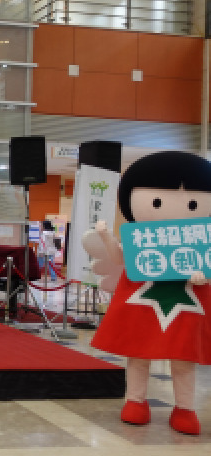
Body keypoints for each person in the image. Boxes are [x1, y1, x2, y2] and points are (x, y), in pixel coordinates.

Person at [88, 151, 211, 435]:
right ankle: (135, 401)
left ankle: (185, 408)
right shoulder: (138, 237)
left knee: (184, 357)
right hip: (141, 303)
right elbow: (119, 259)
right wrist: (106, 237)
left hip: (188, 304)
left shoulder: (203, 239)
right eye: (156, 201)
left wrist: (203, 274)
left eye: (193, 204)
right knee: (138, 354)